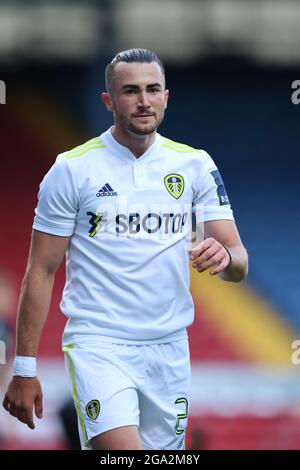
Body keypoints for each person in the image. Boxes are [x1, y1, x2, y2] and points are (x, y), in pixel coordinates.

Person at [2, 48, 248, 450]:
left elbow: (238, 260)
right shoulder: (72, 170)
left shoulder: (195, 165)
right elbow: (41, 270)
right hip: (100, 345)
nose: (144, 100)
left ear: (166, 96)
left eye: (153, 89)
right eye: (130, 91)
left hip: (169, 348)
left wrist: (226, 260)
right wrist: (25, 368)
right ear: (108, 100)